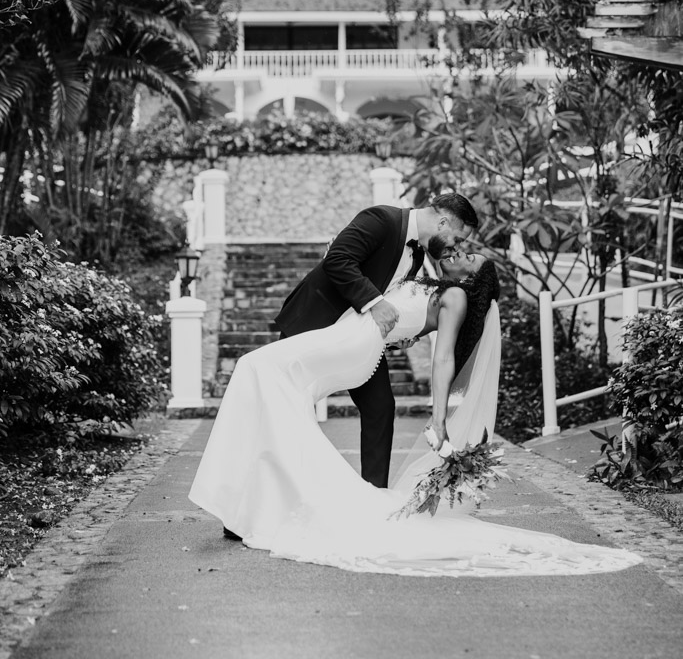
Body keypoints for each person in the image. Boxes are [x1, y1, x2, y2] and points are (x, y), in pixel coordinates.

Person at [188, 252, 641, 578]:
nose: (459, 254)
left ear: (474, 280)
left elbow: (443, 359)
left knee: (256, 368)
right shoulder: (430, 277)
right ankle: (260, 492)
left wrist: (439, 416)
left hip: (358, 342)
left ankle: (266, 490)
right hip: (353, 331)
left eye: (469, 257)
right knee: (270, 386)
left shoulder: (457, 299)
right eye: (463, 248)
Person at [274, 192, 479, 489]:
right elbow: (338, 259)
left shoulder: (417, 255)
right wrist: (375, 302)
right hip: (313, 325)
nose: (455, 247)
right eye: (458, 239)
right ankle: (250, 504)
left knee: (380, 406)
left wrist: (397, 337)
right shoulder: (380, 219)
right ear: (444, 221)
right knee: (284, 410)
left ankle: (374, 496)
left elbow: (393, 301)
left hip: (360, 339)